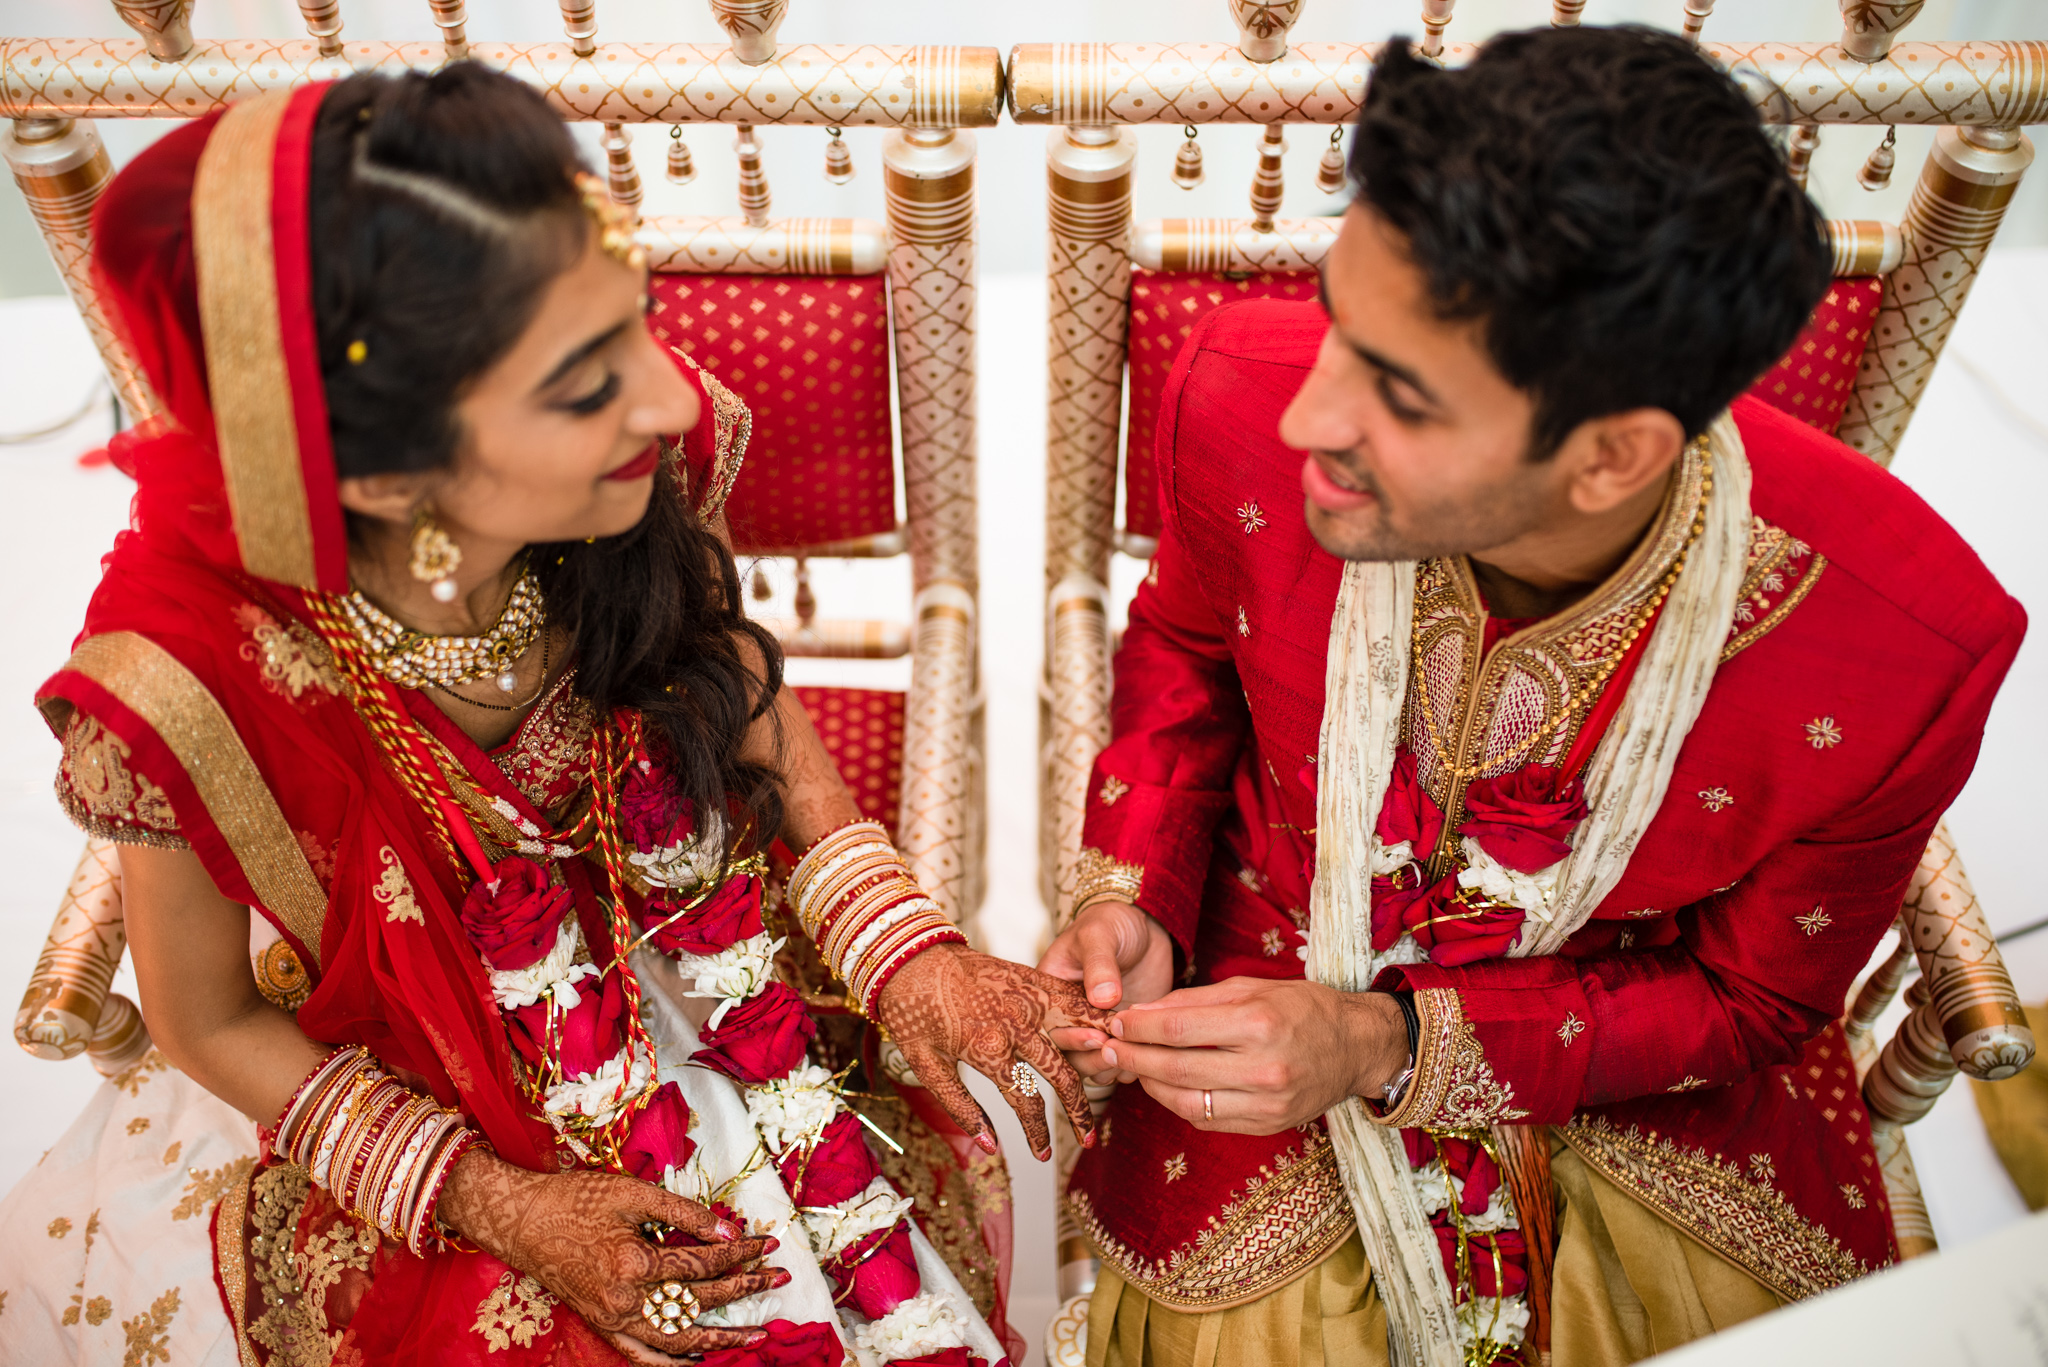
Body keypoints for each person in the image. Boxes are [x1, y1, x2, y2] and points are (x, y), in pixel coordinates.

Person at [0, 66, 1103, 1367]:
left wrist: (904, 944)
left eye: (635, 324)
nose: (677, 398)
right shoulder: (182, 676)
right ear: (390, 472)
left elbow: (734, 693)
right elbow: (207, 1022)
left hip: (706, 945)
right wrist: (505, 1207)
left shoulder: (629, 472)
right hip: (411, 1071)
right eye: (586, 381)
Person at [1041, 26, 2025, 1367]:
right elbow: (1191, 651)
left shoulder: (1903, 650)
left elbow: (1753, 1006)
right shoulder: (1229, 392)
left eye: (1397, 393)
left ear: (1613, 454)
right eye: (1338, 321)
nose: (1306, 419)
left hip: (1634, 1084)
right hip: (1261, 991)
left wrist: (1392, 1046)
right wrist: (1131, 887)